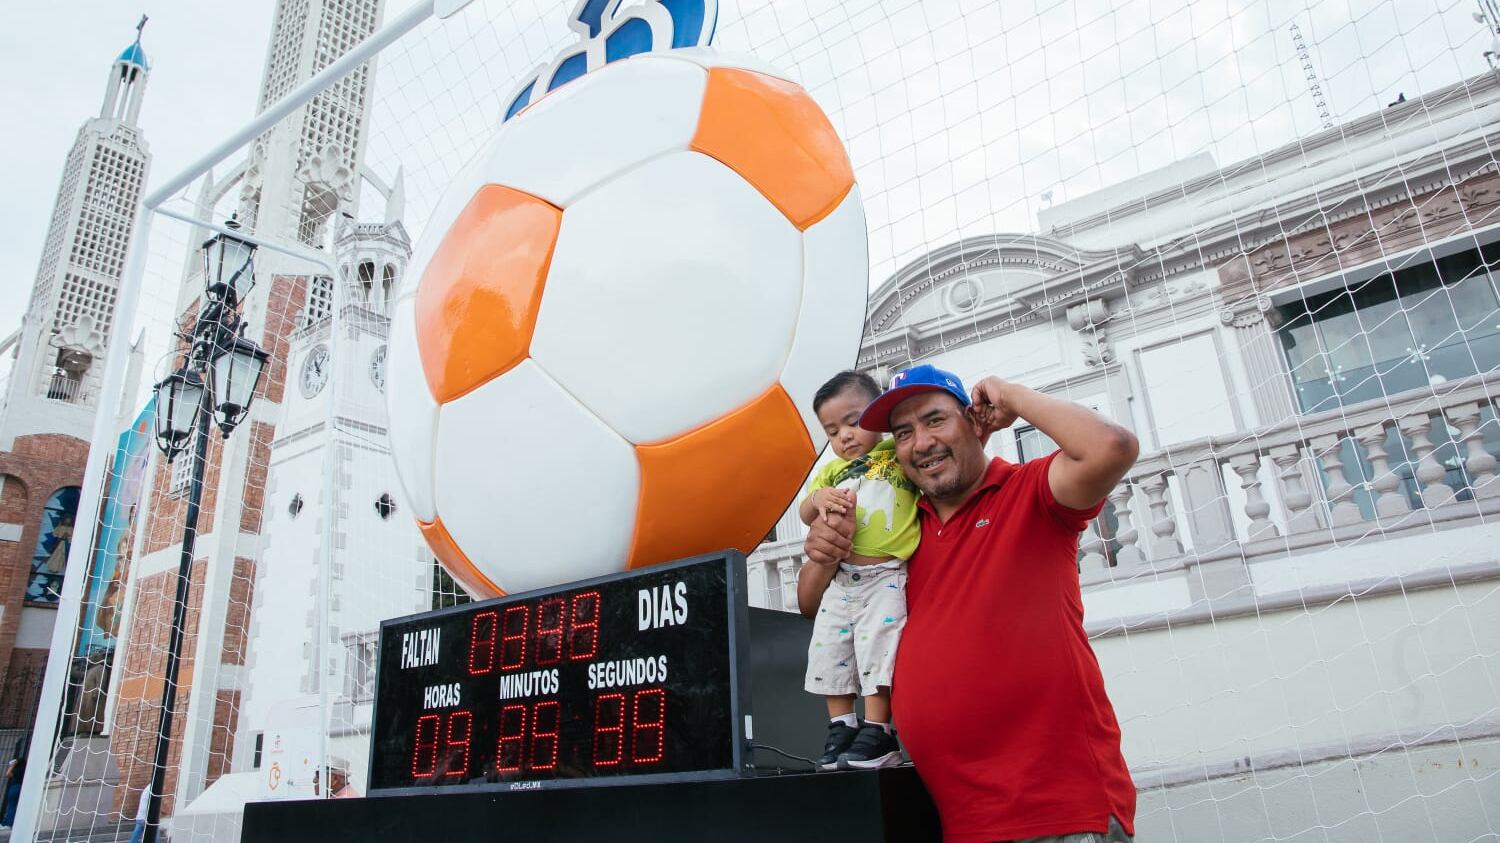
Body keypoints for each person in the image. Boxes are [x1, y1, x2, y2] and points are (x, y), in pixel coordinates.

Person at [801, 364, 1140, 843]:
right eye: (903, 433)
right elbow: (809, 603)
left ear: (974, 422)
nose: (921, 443)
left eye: (935, 420)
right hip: (958, 823)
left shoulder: (1029, 492)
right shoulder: (901, 536)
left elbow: (1113, 447)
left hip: (1057, 815)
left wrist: (1011, 396)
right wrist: (819, 552)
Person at [797, 371, 921, 770]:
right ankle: (842, 726)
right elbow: (804, 510)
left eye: (853, 422)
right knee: (830, 648)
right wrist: (818, 498)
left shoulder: (895, 452)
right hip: (841, 578)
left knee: (878, 647)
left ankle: (879, 730)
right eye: (832, 431)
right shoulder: (834, 471)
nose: (845, 436)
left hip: (885, 575)